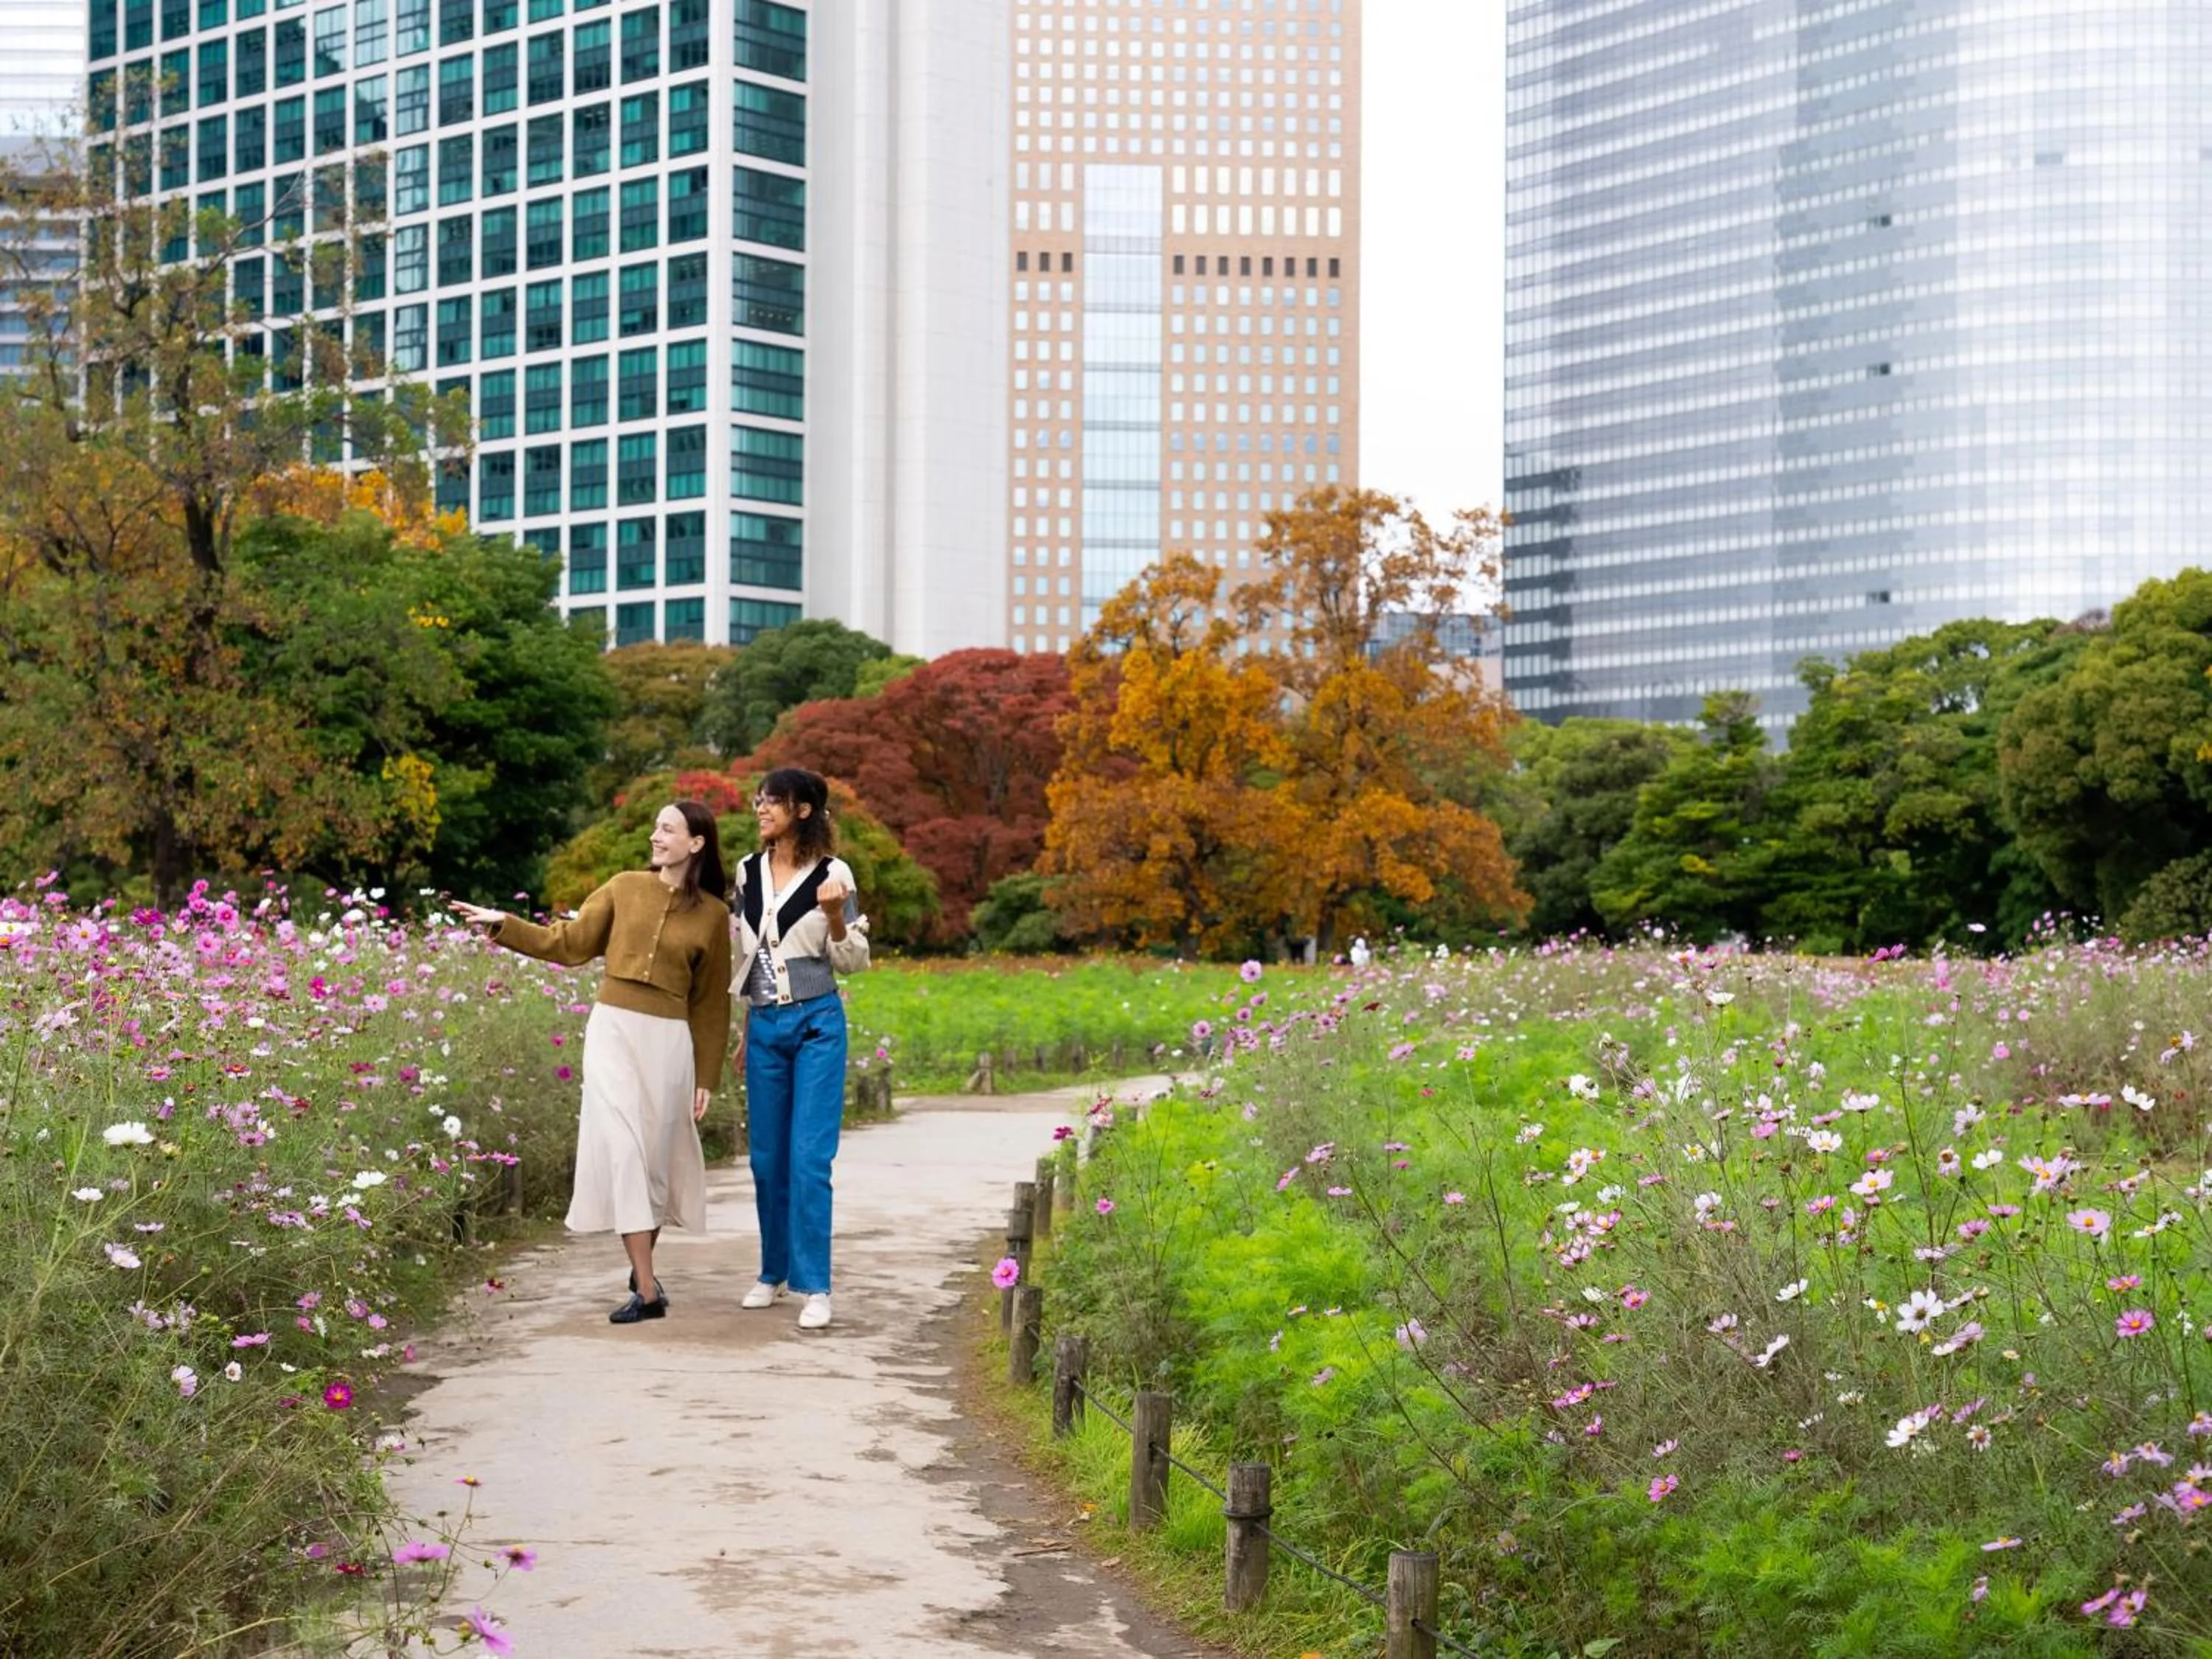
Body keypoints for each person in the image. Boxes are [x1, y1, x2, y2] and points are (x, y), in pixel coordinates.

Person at [453, 801, 731, 1324]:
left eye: (667, 829)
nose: (655, 836)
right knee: (625, 1151)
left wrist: (708, 1076)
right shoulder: (623, 886)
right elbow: (570, 943)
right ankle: (647, 1290)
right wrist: (503, 925)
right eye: (655, 827)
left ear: (696, 843)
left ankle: (641, 1264)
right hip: (614, 1032)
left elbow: (712, 1004)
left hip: (670, 1044)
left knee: (654, 1160)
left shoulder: (714, 916)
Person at [733, 767, 871, 1332]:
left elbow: (855, 961)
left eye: (775, 802)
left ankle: (816, 1286)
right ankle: (773, 1272)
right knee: (767, 1160)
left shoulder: (834, 873)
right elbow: (746, 954)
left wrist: (836, 916)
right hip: (764, 1023)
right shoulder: (746, 872)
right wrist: (746, 1029)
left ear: (805, 810)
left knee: (809, 1159)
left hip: (817, 1023)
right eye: (760, 801)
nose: (762, 809)